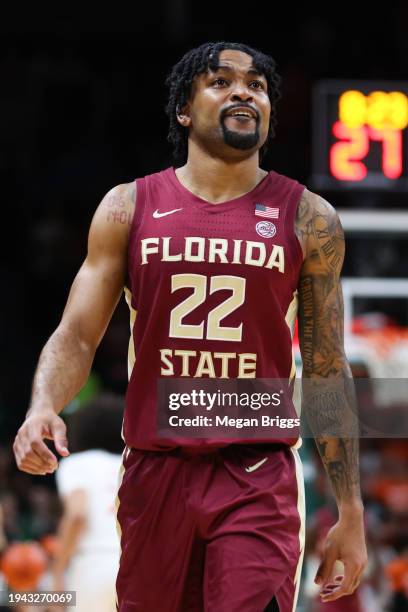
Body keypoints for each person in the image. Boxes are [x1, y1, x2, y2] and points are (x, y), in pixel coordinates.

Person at [13, 41, 367, 611]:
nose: (243, 92)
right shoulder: (128, 206)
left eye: (256, 85)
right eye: (221, 82)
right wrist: (42, 406)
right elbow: (77, 334)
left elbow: (327, 366)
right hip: (157, 470)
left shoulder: (308, 217)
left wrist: (350, 510)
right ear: (185, 107)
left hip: (256, 469)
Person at [51, 394, 123, 612]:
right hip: (136, 563)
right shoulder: (132, 465)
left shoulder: (78, 463)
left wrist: (57, 573)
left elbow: (77, 514)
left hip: (92, 564)